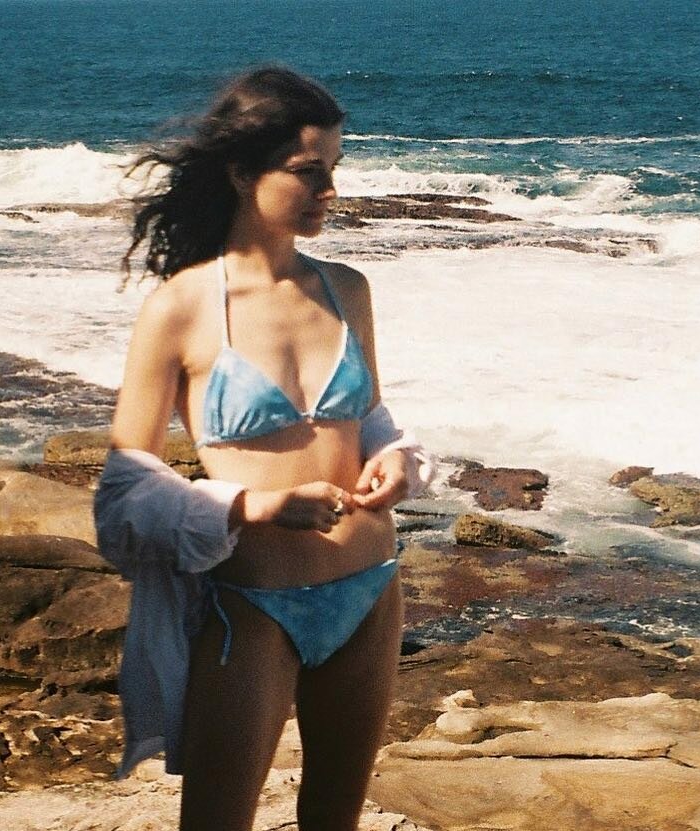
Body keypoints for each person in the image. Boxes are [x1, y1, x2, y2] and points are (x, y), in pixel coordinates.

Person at [93, 66, 434, 831]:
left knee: (333, 822)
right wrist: (259, 505)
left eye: (334, 168)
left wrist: (396, 457)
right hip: (252, 607)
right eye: (309, 171)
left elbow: (366, 417)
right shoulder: (181, 307)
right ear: (244, 172)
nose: (330, 190)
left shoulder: (347, 288)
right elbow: (123, 491)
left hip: (369, 589)